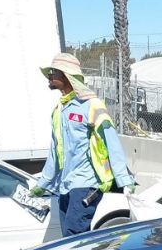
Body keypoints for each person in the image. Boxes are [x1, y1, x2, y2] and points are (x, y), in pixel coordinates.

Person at [30, 53, 135, 235]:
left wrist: (124, 179)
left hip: (86, 185)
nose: (50, 76)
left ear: (66, 76)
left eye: (54, 72)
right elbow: (55, 152)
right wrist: (44, 183)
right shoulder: (59, 111)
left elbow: (111, 141)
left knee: (73, 237)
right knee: (67, 239)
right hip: (66, 186)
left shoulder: (92, 105)